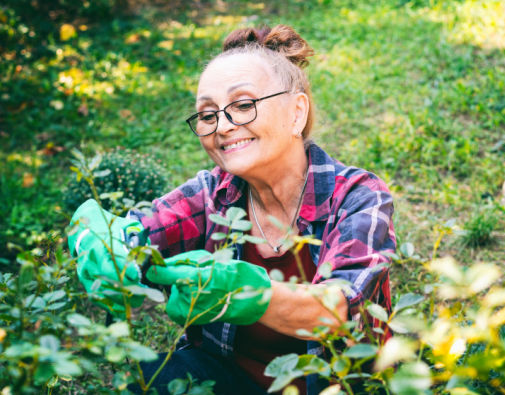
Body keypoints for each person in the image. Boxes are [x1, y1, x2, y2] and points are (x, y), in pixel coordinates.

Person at [69, 24, 396, 395]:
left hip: (331, 386)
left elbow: (338, 310)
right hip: (226, 378)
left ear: (296, 113)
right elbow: (136, 231)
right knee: (140, 382)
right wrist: (96, 234)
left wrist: (249, 292)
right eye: (207, 115)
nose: (222, 126)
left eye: (243, 105)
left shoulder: (358, 196)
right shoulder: (213, 194)